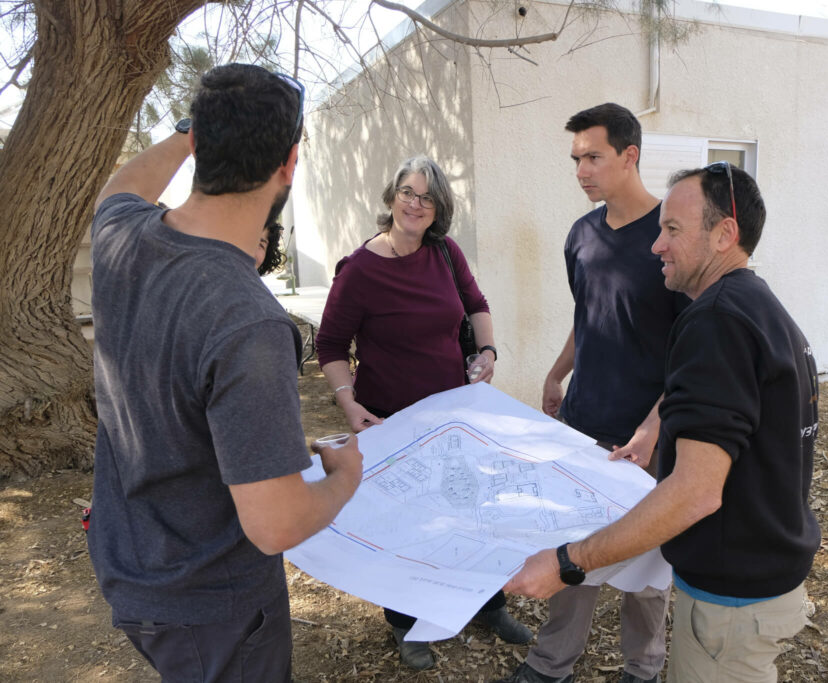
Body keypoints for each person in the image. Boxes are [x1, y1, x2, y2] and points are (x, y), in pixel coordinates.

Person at [88, 64, 364, 682]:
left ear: (199, 143)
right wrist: (345, 478)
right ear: (289, 162)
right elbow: (276, 524)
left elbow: (122, 185)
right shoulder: (249, 321)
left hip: (130, 566)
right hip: (213, 605)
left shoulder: (119, 235)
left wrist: (189, 132)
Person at [505, 163, 821, 683]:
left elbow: (696, 492)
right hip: (757, 585)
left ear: (724, 234)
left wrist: (569, 561)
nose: (656, 246)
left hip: (732, 605)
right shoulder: (758, 308)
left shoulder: (716, 321)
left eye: (672, 229)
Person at [314, 155, 532, 670]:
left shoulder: (445, 253)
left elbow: (477, 303)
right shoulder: (359, 270)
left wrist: (488, 352)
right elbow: (330, 345)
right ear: (392, 197)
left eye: (427, 197)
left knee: (472, 514)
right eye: (408, 192)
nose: (415, 204)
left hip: (454, 415)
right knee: (406, 525)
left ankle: (488, 605)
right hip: (392, 421)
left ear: (439, 209)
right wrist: (349, 403)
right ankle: (406, 623)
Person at [494, 103, 687, 683]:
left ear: (630, 156)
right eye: (576, 159)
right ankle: (551, 665)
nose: (581, 171)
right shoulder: (581, 235)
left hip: (648, 434)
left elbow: (692, 349)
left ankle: (643, 669)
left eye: (593, 157)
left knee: (646, 566)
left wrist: (655, 424)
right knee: (569, 548)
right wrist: (556, 373)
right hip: (583, 423)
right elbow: (589, 317)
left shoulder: (671, 238)